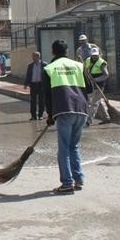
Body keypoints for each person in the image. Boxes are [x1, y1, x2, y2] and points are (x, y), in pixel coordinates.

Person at [43, 39, 93, 195]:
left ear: (52, 51)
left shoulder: (49, 68)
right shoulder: (78, 66)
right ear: (67, 51)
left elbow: (47, 96)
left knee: (64, 149)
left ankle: (67, 183)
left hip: (64, 111)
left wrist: (50, 115)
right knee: (74, 146)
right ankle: (78, 179)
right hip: (82, 110)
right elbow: (90, 88)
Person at [85, 47, 110, 126]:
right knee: (97, 102)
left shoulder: (102, 63)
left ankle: (89, 120)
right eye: (93, 55)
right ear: (91, 55)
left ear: (99, 54)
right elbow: (85, 69)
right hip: (91, 85)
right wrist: (86, 74)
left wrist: (96, 79)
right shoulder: (88, 60)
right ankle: (106, 118)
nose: (95, 57)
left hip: (99, 85)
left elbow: (106, 75)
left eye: (96, 55)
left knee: (94, 103)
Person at [24, 52, 47, 121]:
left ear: (38, 57)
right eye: (33, 56)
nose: (33, 58)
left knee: (41, 101)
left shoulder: (44, 65)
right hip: (33, 85)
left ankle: (40, 115)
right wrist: (26, 84)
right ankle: (33, 116)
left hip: (41, 85)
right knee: (33, 101)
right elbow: (28, 75)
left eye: (34, 57)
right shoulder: (30, 65)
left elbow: (47, 75)